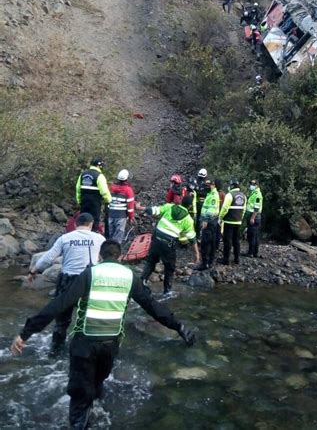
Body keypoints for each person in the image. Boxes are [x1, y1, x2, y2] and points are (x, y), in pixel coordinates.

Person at [11, 240, 196, 429]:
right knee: (97, 384)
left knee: (80, 396)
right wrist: (179, 326)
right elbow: (152, 307)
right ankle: (95, 410)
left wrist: (26, 333)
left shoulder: (90, 273)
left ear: (100, 256)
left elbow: (60, 304)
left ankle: (81, 420)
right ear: (120, 256)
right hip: (110, 346)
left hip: (84, 344)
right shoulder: (130, 276)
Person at [28, 212, 106, 348]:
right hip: (89, 281)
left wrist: (34, 271)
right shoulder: (99, 239)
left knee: (61, 320)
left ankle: (56, 350)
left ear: (76, 224)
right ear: (92, 224)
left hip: (67, 281)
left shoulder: (65, 238)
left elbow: (48, 257)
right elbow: (106, 258)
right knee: (90, 318)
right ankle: (87, 347)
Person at [139, 195, 200, 294]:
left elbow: (154, 210)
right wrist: (197, 254)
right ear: (190, 207)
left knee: (151, 261)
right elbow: (192, 239)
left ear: (181, 201)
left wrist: (140, 208)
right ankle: (167, 292)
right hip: (168, 244)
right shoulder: (188, 220)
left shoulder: (170, 206)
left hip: (156, 238)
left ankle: (142, 283)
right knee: (169, 267)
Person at [76, 158, 112, 232]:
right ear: (99, 166)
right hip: (95, 203)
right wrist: (108, 200)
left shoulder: (83, 174)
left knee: (83, 220)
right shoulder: (99, 176)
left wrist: (79, 200)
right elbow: (104, 191)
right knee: (94, 221)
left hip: (84, 201)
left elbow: (78, 189)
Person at [219, 179, 246, 265]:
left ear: (232, 186)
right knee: (236, 241)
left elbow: (225, 208)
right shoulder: (243, 196)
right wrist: (240, 218)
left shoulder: (229, 195)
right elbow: (244, 209)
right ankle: (237, 259)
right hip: (238, 222)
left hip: (229, 221)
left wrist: (220, 217)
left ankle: (226, 260)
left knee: (227, 241)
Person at [195, 179, 220, 270]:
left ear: (215, 185)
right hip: (212, 221)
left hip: (209, 221)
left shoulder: (213, 195)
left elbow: (211, 209)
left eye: (212, 184)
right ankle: (210, 262)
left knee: (206, 242)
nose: (210, 185)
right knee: (212, 242)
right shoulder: (211, 194)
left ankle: (205, 263)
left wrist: (205, 220)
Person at [108, 169, 135, 244]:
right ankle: (115, 249)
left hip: (110, 213)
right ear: (127, 179)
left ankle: (108, 246)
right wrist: (131, 217)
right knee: (119, 232)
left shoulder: (111, 187)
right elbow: (130, 206)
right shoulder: (128, 190)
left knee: (110, 231)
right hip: (121, 215)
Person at [244, 179, 263, 258]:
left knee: (252, 235)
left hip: (254, 217)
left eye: (253, 184)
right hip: (252, 216)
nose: (251, 185)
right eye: (251, 183)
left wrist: (252, 218)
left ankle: (251, 252)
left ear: (257, 185)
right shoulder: (253, 193)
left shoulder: (257, 194)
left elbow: (256, 207)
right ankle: (254, 252)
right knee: (254, 235)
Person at [196, 168, 208, 237]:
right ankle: (201, 235)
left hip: (196, 205)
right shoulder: (207, 185)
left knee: (197, 221)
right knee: (204, 221)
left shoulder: (196, 184)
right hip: (205, 206)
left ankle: (197, 235)